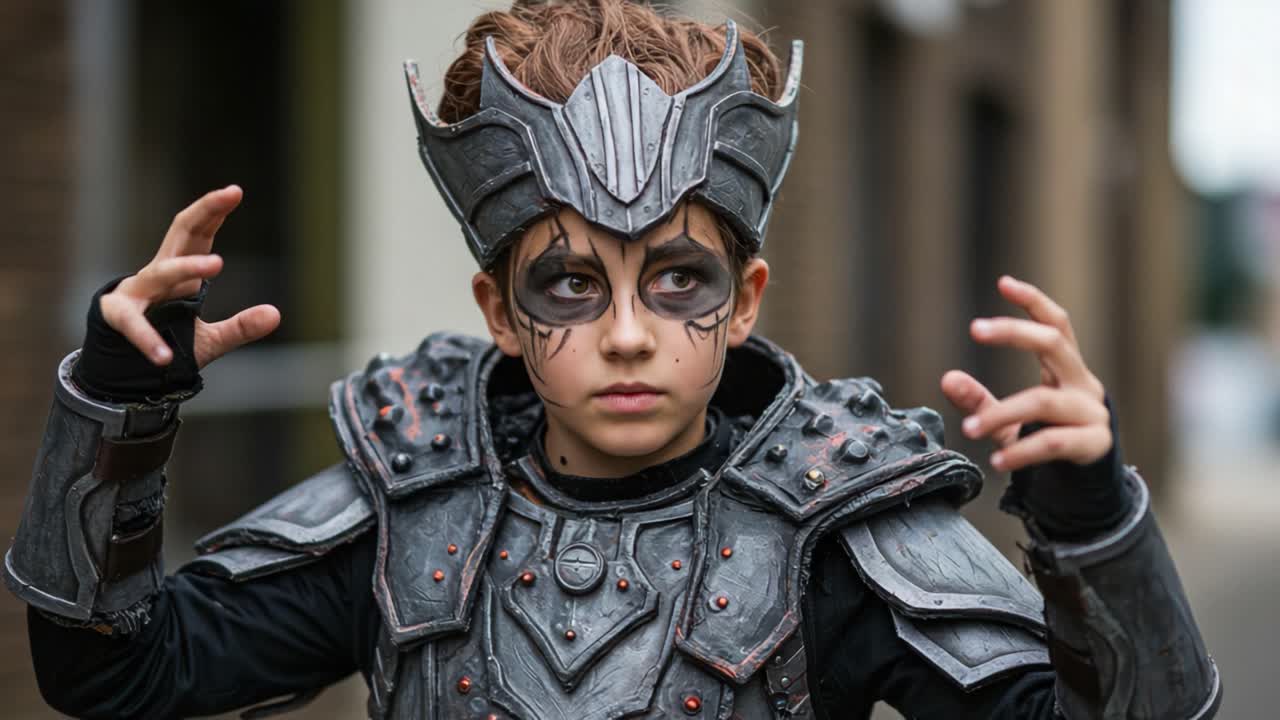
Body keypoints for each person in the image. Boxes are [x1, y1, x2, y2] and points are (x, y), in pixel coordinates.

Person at [6, 1, 1220, 718]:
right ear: (497, 305)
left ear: (743, 299)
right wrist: (123, 401)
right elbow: (111, 676)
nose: (628, 332)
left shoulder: (834, 525)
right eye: (569, 285)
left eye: (676, 279)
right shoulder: (411, 506)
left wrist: (1085, 508)